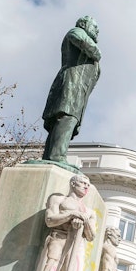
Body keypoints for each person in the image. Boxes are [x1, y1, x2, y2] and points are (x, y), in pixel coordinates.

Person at [22, 174, 97, 271]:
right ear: (73, 183)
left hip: (77, 245)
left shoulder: (90, 211)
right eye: (83, 183)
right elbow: (50, 220)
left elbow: (91, 236)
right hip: (57, 239)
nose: (86, 187)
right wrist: (70, 214)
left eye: (88, 185)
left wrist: (84, 222)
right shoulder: (58, 200)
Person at [42, 16, 102, 163]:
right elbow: (92, 50)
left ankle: (53, 156)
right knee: (66, 117)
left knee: (67, 120)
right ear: (84, 24)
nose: (97, 31)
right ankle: (57, 157)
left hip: (77, 89)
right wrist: (96, 52)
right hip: (71, 84)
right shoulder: (76, 31)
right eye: (94, 27)